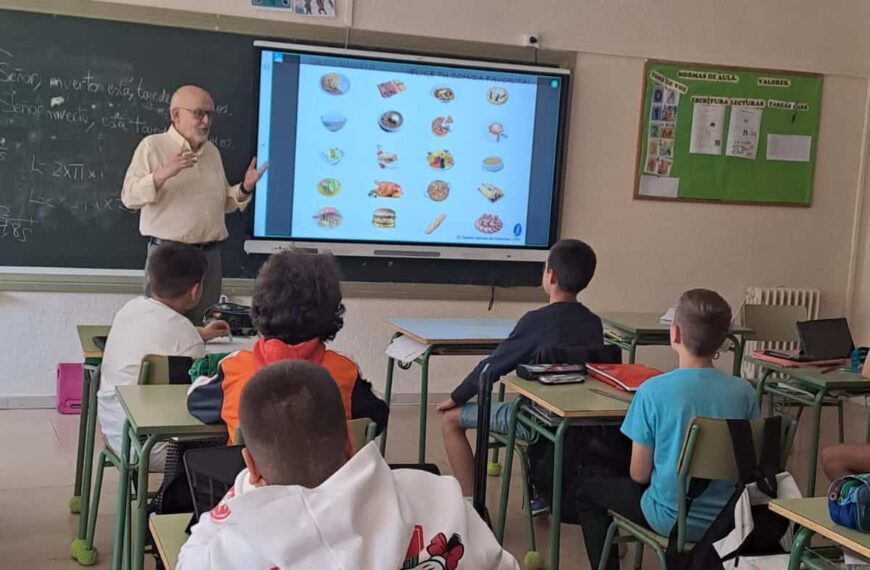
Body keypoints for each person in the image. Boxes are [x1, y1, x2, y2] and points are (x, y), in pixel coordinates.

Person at [177, 360, 519, 570]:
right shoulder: (439, 494)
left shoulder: (237, 547)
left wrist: (244, 490)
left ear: (252, 466)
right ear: (350, 441)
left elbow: (190, 555)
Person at [574, 289, 758, 570]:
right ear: (723, 341)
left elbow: (639, 474)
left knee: (588, 490)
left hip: (670, 517)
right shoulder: (745, 393)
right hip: (729, 518)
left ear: (674, 334)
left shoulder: (652, 392)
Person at [437, 238, 603, 496]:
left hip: (536, 419)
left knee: (450, 420)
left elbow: (492, 367)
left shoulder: (536, 321)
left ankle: (470, 504)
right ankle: (537, 495)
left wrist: (457, 396)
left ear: (551, 275)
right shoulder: (594, 323)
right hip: (580, 423)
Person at [187, 250, 388, 443]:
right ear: (330, 312)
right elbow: (378, 418)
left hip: (254, 477)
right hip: (331, 478)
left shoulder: (234, 368)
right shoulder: (345, 371)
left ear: (260, 305)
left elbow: (195, 402)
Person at [121, 84, 269, 323]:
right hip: (169, 257)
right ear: (176, 115)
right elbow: (129, 196)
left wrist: (245, 188)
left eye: (210, 114)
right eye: (198, 113)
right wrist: (163, 174)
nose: (206, 121)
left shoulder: (211, 152)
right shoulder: (153, 146)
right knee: (161, 328)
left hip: (208, 258)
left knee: (205, 330)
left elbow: (222, 204)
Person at [97, 243, 229, 471]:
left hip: (117, 432)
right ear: (195, 290)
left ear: (150, 278)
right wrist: (195, 335)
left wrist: (201, 334)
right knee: (230, 435)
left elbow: (159, 331)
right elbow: (199, 400)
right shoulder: (185, 337)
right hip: (156, 447)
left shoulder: (130, 309)